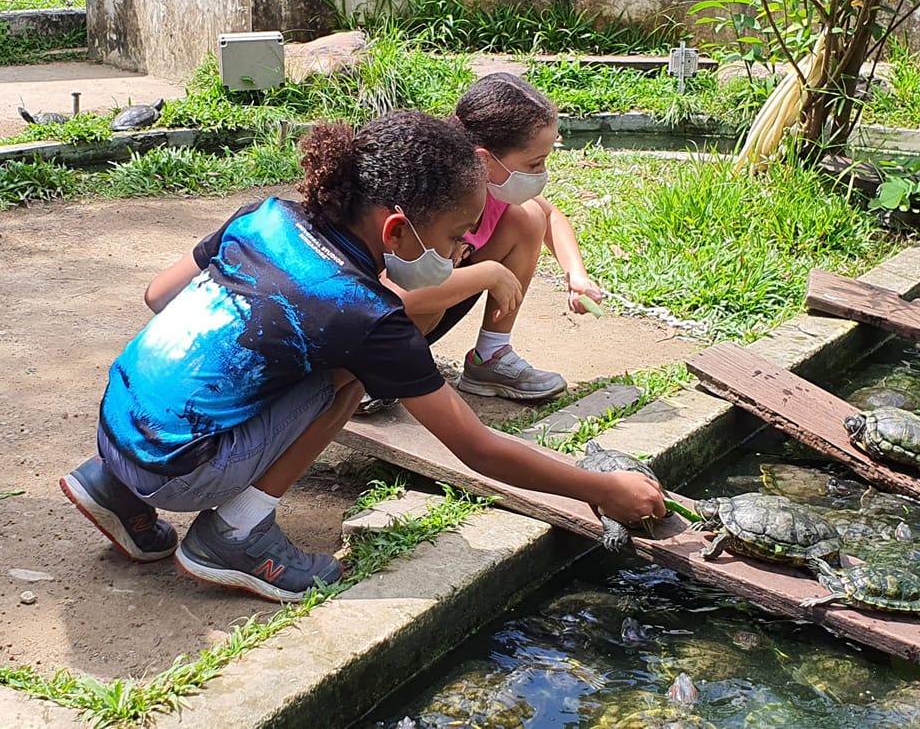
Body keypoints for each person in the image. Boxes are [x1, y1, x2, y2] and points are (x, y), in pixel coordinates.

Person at [58, 110, 666, 603]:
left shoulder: (264, 216)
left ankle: (115, 486)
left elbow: (159, 295)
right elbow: (477, 448)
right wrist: (599, 489)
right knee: (346, 376)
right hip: (182, 470)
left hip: (115, 428)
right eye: (456, 236)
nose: (460, 253)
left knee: (251, 360)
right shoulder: (364, 314)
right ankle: (236, 534)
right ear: (396, 230)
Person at [368, 72, 602, 406]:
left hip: (430, 303)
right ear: (484, 159)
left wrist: (576, 275)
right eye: (535, 164)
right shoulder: (435, 198)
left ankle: (491, 356)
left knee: (529, 217)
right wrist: (489, 274)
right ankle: (373, 376)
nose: (542, 175)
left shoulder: (489, 184)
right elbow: (400, 294)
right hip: (381, 319)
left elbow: (549, 215)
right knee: (429, 301)